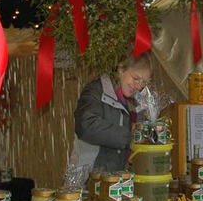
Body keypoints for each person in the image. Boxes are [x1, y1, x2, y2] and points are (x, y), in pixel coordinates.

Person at [65, 51, 153, 187]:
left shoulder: (136, 103)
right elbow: (86, 125)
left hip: (118, 184)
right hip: (89, 182)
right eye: (136, 78)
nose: (138, 86)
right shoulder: (96, 91)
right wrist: (129, 137)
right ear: (121, 69)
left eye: (143, 82)